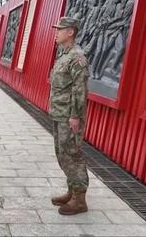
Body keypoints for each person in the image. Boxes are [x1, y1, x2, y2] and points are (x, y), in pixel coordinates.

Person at [49, 17, 90, 215]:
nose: (56, 32)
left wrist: (75, 116)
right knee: (62, 154)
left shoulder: (77, 57)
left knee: (72, 155)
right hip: (59, 112)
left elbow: (79, 89)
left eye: (60, 29)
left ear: (70, 32)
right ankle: (72, 191)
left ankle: (80, 200)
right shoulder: (64, 54)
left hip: (69, 116)